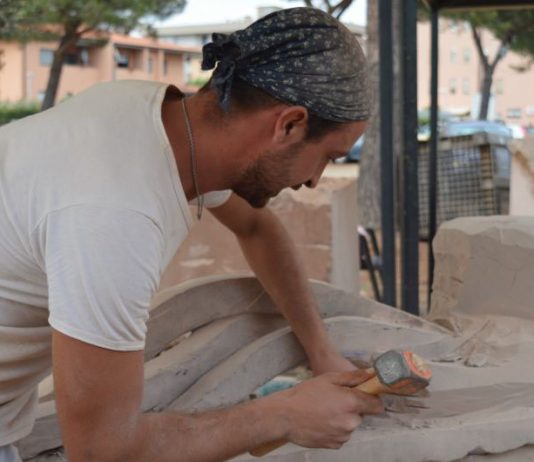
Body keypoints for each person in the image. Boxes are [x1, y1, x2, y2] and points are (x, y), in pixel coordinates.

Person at [0, 7, 382, 462]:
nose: (317, 180)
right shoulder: (114, 215)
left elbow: (257, 227)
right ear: (289, 124)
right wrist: (283, 415)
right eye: (329, 157)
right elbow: (103, 450)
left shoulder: (162, 122)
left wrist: (321, 351)